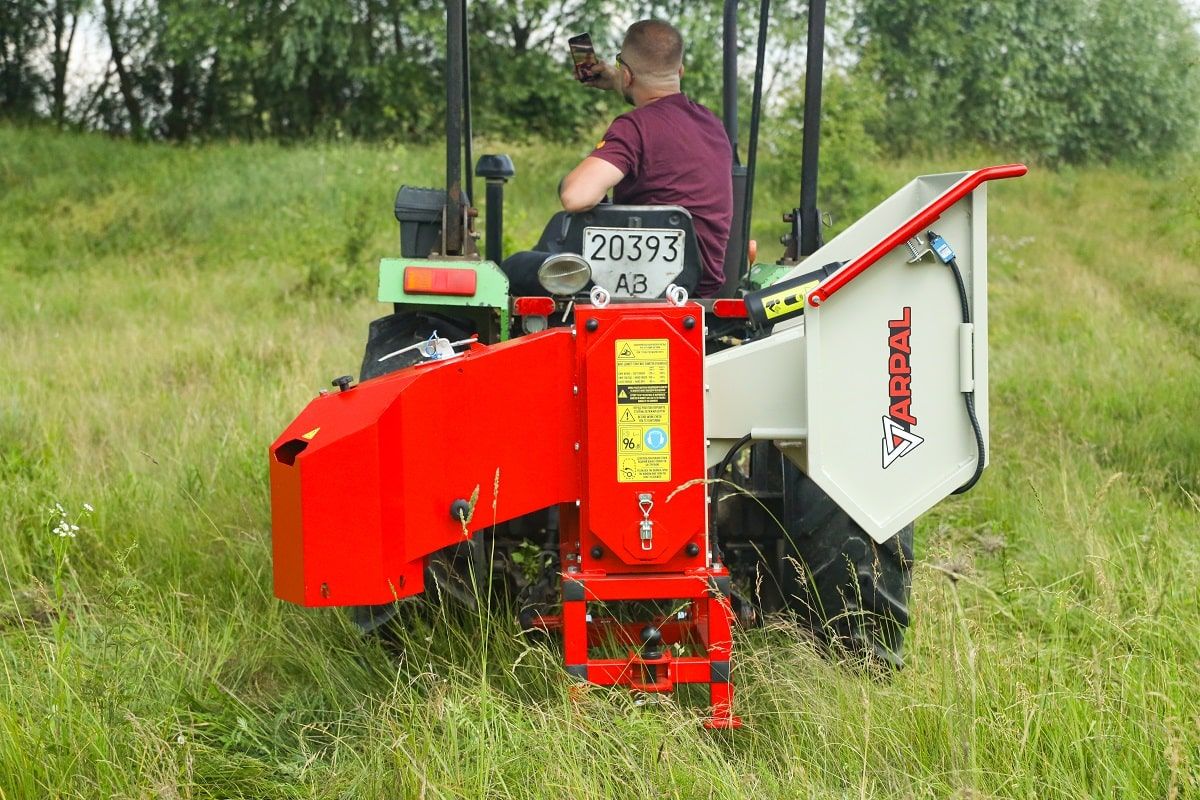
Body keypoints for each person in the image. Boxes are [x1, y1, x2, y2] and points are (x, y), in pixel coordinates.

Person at [502, 19, 734, 298]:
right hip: (694, 287)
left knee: (514, 267)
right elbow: (658, 102)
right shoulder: (712, 124)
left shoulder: (634, 127)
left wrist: (568, 182)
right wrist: (619, 79)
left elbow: (577, 196)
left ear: (628, 76)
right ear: (680, 71)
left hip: (635, 284)